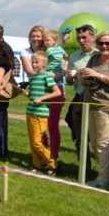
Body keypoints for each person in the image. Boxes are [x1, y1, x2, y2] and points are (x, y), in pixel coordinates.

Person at [79, 31, 109, 189]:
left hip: (106, 106)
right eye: (101, 43)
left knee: (103, 143)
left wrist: (98, 75)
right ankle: (105, 174)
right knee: (94, 142)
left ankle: (104, 178)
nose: (104, 46)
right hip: (90, 104)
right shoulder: (94, 58)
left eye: (108, 43)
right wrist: (82, 76)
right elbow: (86, 81)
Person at [65, 24, 97, 176]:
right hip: (79, 98)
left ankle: (107, 171)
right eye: (79, 39)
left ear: (93, 37)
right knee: (80, 136)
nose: (82, 41)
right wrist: (70, 78)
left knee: (99, 138)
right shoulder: (74, 57)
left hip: (97, 101)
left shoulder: (100, 55)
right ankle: (85, 169)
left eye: (85, 38)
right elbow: (70, 83)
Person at [25, 51, 61, 175]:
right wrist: (29, 94)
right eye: (32, 62)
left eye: (36, 62)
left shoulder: (47, 76)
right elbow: (35, 93)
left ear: (44, 63)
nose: (34, 64)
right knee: (32, 142)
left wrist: (41, 99)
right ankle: (37, 165)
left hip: (41, 114)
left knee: (37, 142)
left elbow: (57, 92)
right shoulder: (33, 78)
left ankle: (52, 164)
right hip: (30, 112)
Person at [43, 29, 68, 161]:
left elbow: (65, 58)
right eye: (45, 41)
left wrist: (62, 69)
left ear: (54, 41)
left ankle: (53, 157)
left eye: (48, 40)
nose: (46, 43)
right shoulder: (53, 50)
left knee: (52, 124)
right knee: (43, 123)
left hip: (56, 83)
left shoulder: (52, 50)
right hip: (49, 82)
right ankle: (43, 154)